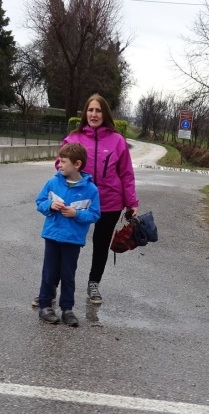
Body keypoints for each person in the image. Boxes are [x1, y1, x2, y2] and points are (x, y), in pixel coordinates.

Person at [56, 93, 138, 304]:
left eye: (98, 110)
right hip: (78, 201)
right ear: (85, 113)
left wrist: (131, 203)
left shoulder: (117, 141)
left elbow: (126, 174)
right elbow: (60, 165)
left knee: (101, 245)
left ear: (105, 114)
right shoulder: (74, 139)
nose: (94, 114)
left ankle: (94, 284)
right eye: (90, 110)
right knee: (67, 242)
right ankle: (52, 285)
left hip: (110, 202)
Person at [35, 143, 101, 325]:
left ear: (77, 164)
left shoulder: (91, 190)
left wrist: (76, 214)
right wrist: (50, 205)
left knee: (68, 274)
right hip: (52, 236)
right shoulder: (53, 182)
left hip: (73, 239)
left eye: (63, 162)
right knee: (49, 272)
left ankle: (67, 309)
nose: (59, 165)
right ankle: (45, 306)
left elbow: (95, 215)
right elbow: (40, 202)